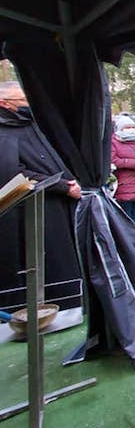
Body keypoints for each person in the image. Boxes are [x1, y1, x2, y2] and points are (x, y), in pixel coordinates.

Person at [0, 81, 83, 311]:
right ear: (4, 103)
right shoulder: (3, 132)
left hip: (60, 204)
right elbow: (11, 173)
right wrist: (62, 186)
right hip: (29, 209)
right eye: (23, 100)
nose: (29, 104)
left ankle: (72, 301)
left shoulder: (34, 124)